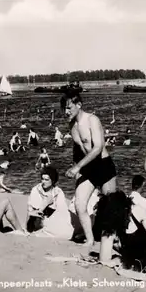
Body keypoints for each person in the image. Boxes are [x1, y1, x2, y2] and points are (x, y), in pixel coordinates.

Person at [60, 91, 117, 248]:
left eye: (69, 108)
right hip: (87, 168)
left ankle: (116, 240)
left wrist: (78, 166)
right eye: (64, 109)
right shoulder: (72, 125)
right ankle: (90, 240)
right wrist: (76, 167)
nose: (66, 112)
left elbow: (98, 147)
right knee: (79, 205)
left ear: (79, 105)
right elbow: (78, 148)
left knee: (110, 206)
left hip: (103, 166)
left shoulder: (92, 120)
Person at [26, 166, 73, 239]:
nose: (43, 182)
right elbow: (35, 212)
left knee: (66, 230)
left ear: (53, 180)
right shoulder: (36, 189)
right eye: (42, 179)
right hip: (36, 221)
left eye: (46, 180)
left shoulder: (58, 191)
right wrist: (46, 202)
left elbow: (62, 211)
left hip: (53, 219)